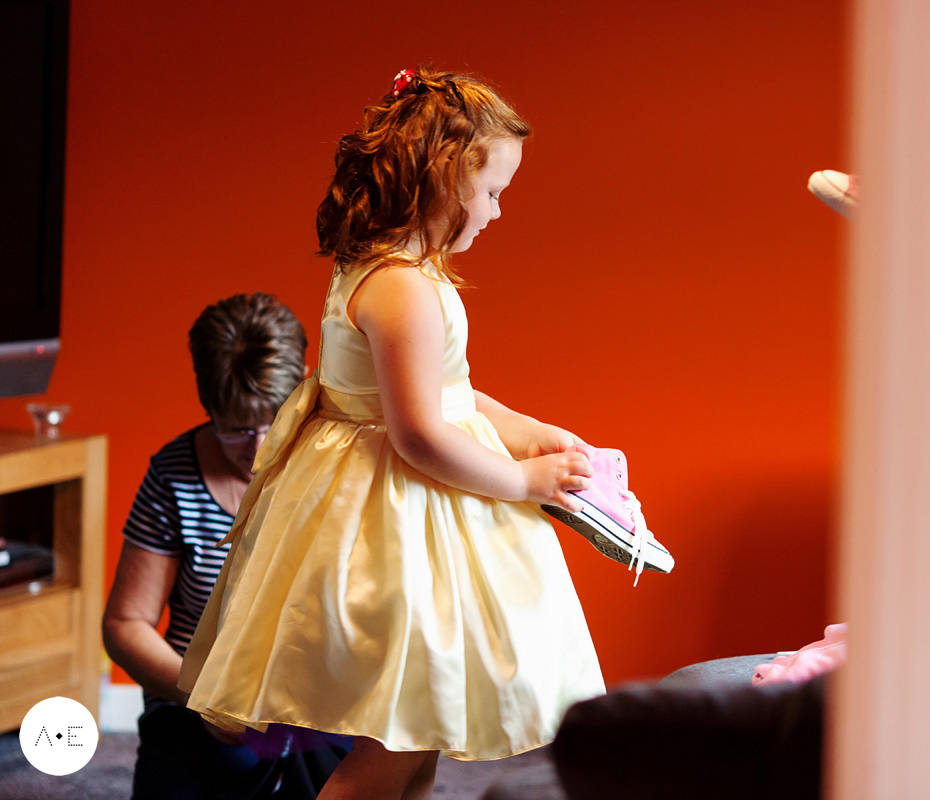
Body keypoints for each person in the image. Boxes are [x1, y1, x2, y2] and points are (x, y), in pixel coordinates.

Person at [179, 68, 607, 800]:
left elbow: (452, 391)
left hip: (411, 508)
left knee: (417, 737)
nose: (499, 212)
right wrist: (525, 482)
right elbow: (420, 435)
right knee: (393, 744)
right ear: (444, 178)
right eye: (495, 191)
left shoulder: (404, 269)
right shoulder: (402, 288)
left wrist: (528, 431)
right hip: (395, 522)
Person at [103, 293, 349, 798]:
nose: (258, 448)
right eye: (237, 429)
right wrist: (206, 696)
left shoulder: (344, 463)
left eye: (273, 420)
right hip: (194, 703)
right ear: (207, 404)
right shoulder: (174, 473)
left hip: (315, 708)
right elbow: (125, 625)